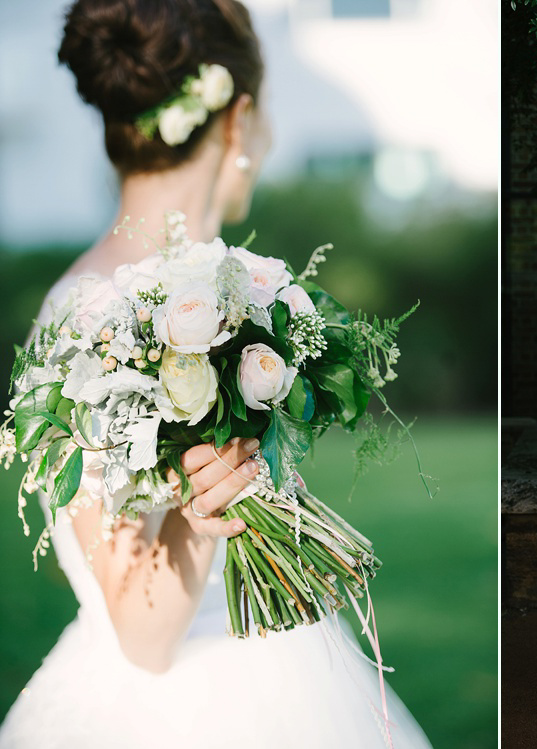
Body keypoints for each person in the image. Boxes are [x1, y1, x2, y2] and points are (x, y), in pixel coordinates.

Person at [0, 2, 432, 747]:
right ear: (237, 121)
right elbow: (142, 629)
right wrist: (204, 511)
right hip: (184, 708)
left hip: (282, 655)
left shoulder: (235, 288)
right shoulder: (86, 320)